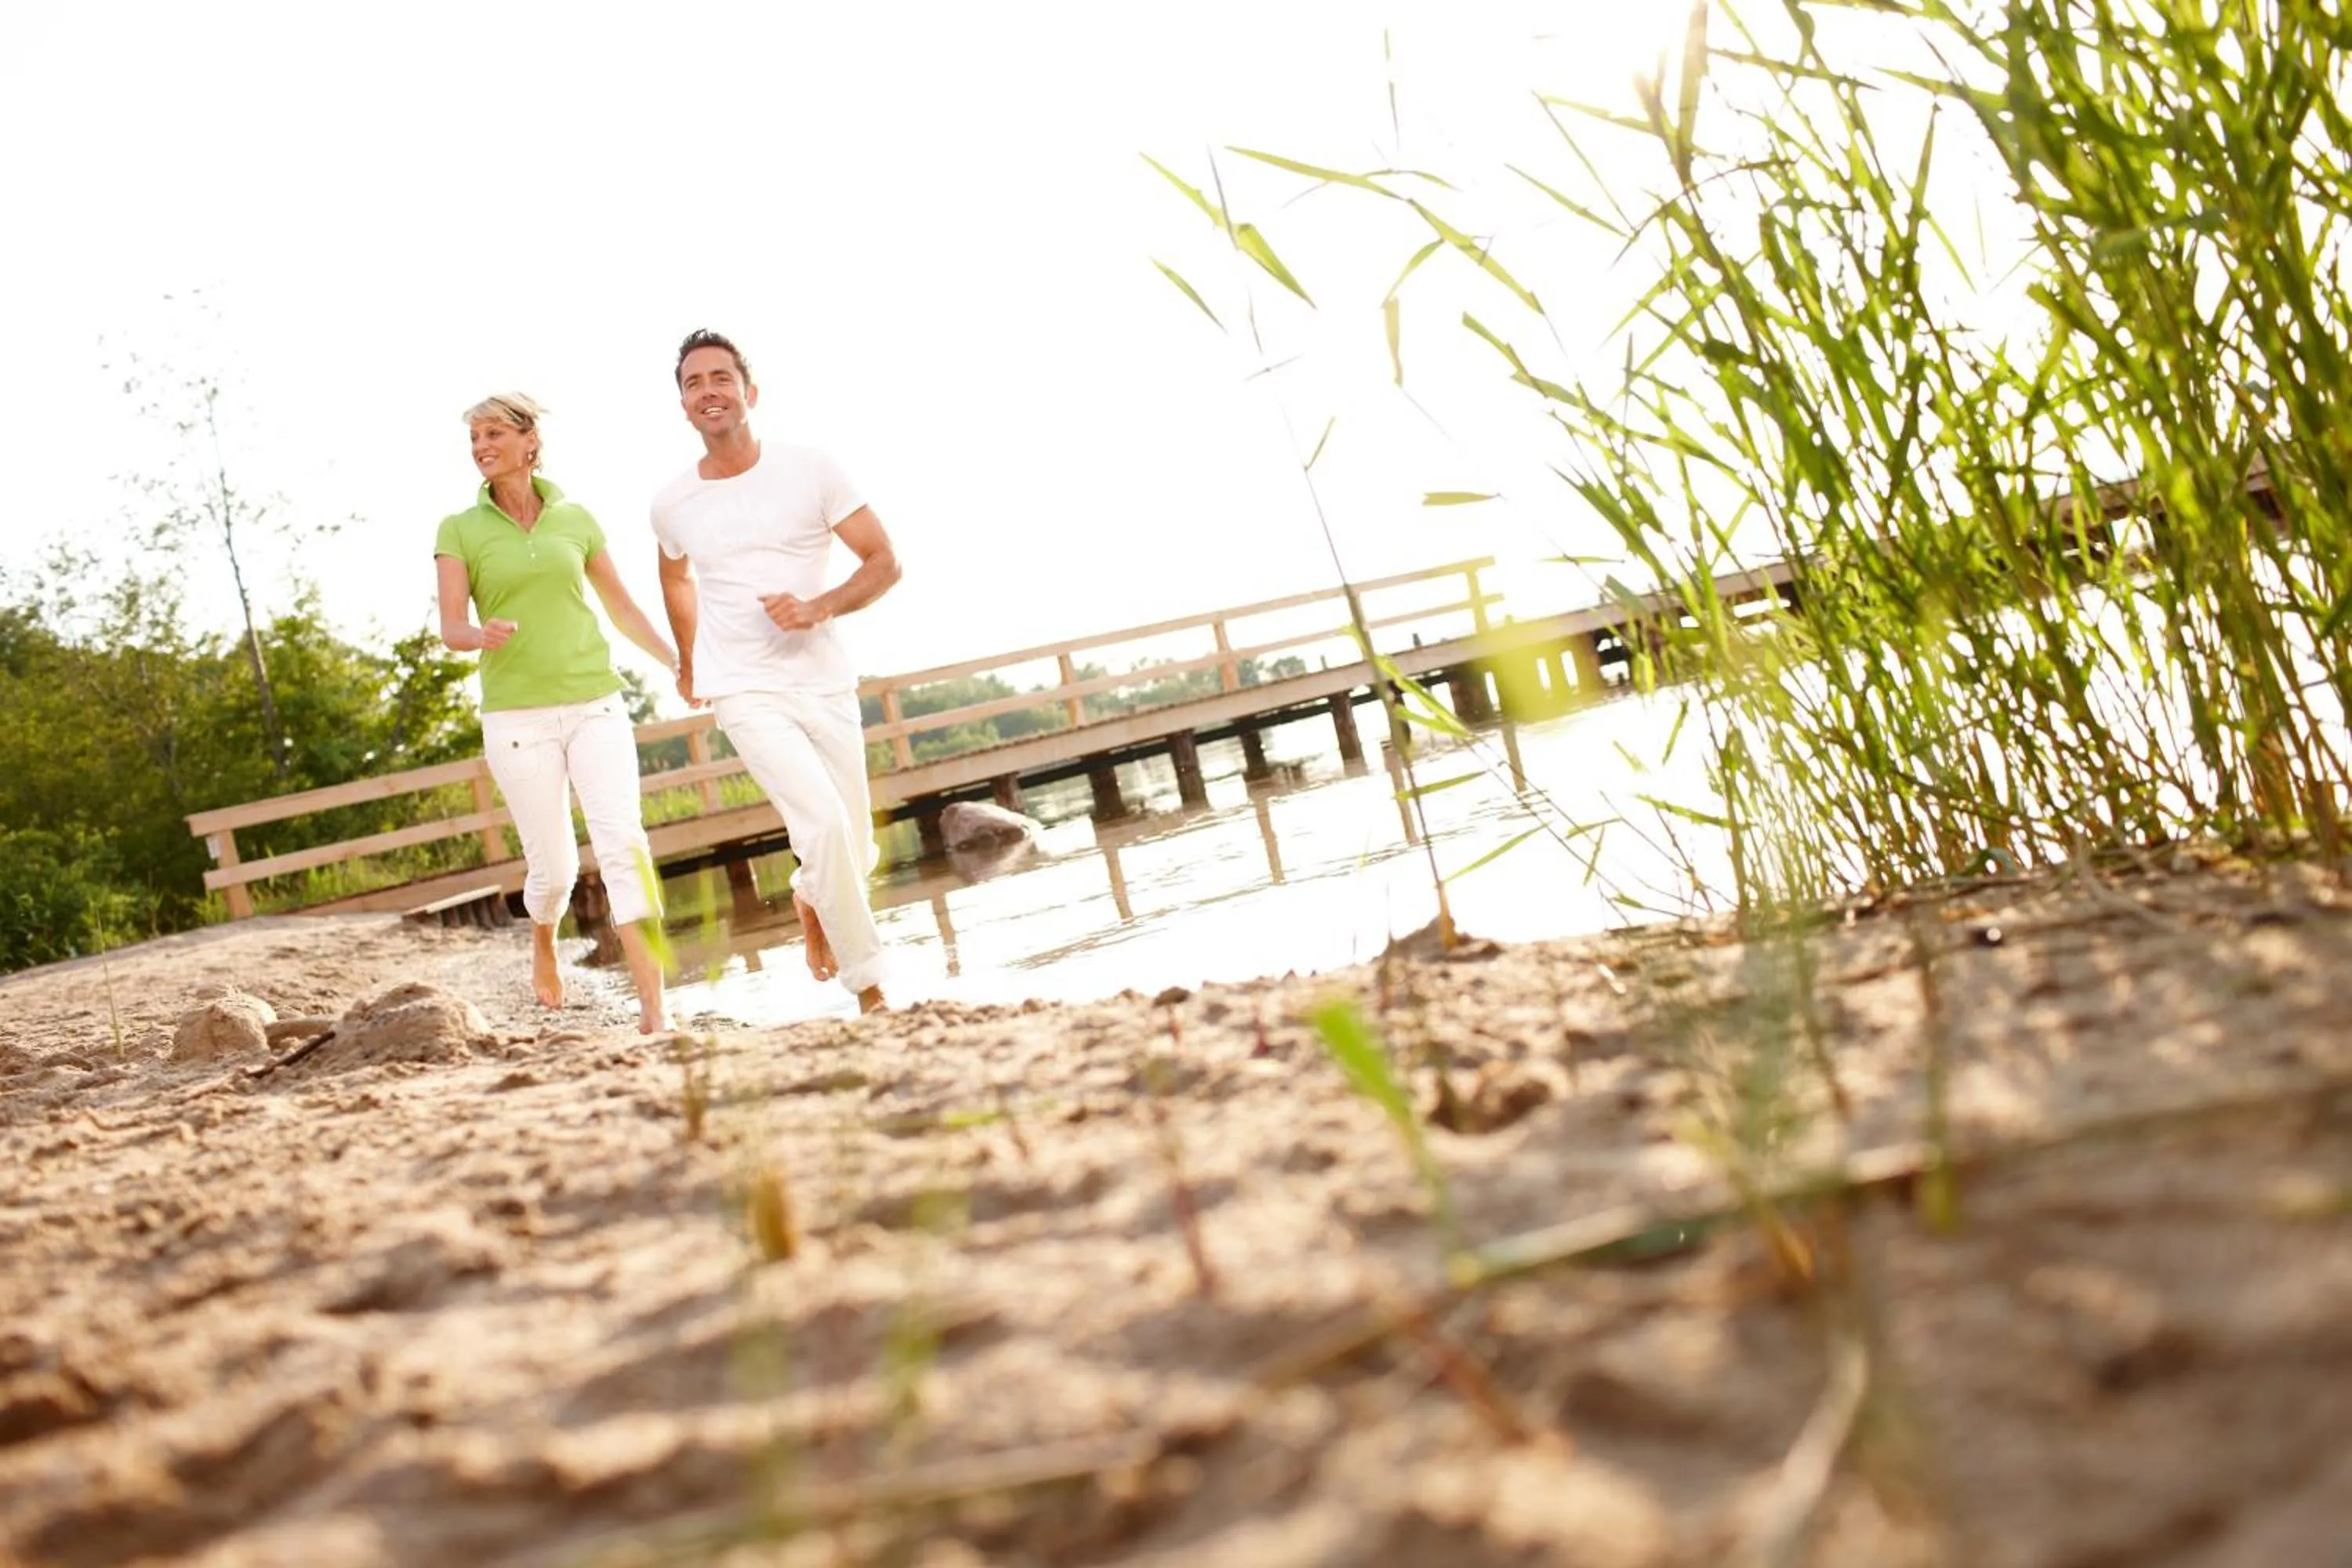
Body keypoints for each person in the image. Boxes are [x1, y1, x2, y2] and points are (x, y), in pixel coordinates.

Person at [651, 330, 902, 1014]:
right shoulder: (672, 504)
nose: (709, 391)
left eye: (721, 378)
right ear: (682, 405)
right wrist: (688, 655)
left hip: (821, 679)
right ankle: (872, 991)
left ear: (749, 393)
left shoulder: (812, 469)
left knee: (855, 843)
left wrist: (818, 607)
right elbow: (674, 575)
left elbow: (884, 561)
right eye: (694, 383)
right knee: (820, 825)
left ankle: (809, 892)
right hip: (741, 686)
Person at [435, 393, 679, 1034]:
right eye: (474, 437)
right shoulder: (459, 528)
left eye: (493, 433)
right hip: (517, 720)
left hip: (595, 699)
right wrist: (478, 634)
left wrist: (677, 661)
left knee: (624, 842)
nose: (481, 445)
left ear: (528, 440)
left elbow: (621, 607)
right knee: (555, 868)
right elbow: (450, 626)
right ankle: (544, 937)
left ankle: (655, 1007)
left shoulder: (575, 517)